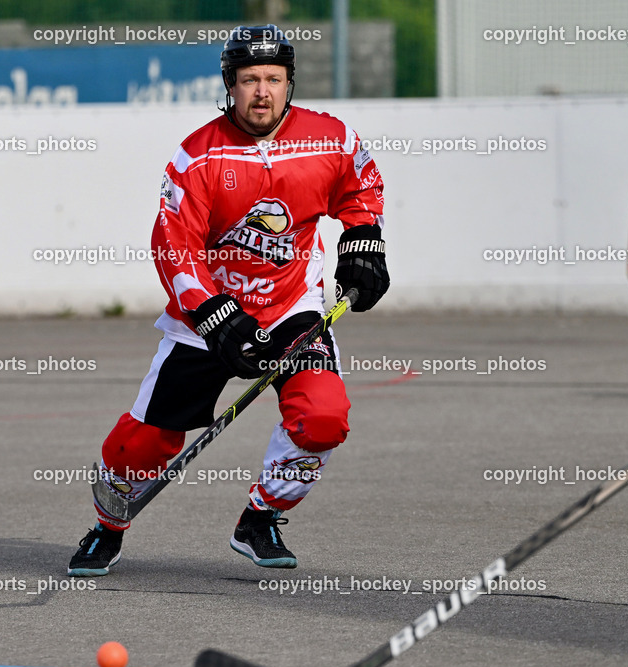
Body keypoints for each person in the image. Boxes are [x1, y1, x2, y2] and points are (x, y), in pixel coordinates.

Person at [68, 25, 389, 576]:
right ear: (228, 85)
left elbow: (362, 189)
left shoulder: (331, 138)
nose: (261, 92)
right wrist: (216, 317)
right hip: (207, 318)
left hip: (293, 309)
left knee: (323, 418)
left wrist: (364, 242)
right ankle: (109, 525)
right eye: (248, 80)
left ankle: (261, 516)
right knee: (139, 448)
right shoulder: (197, 157)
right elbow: (174, 248)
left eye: (273, 79)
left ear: (290, 83)